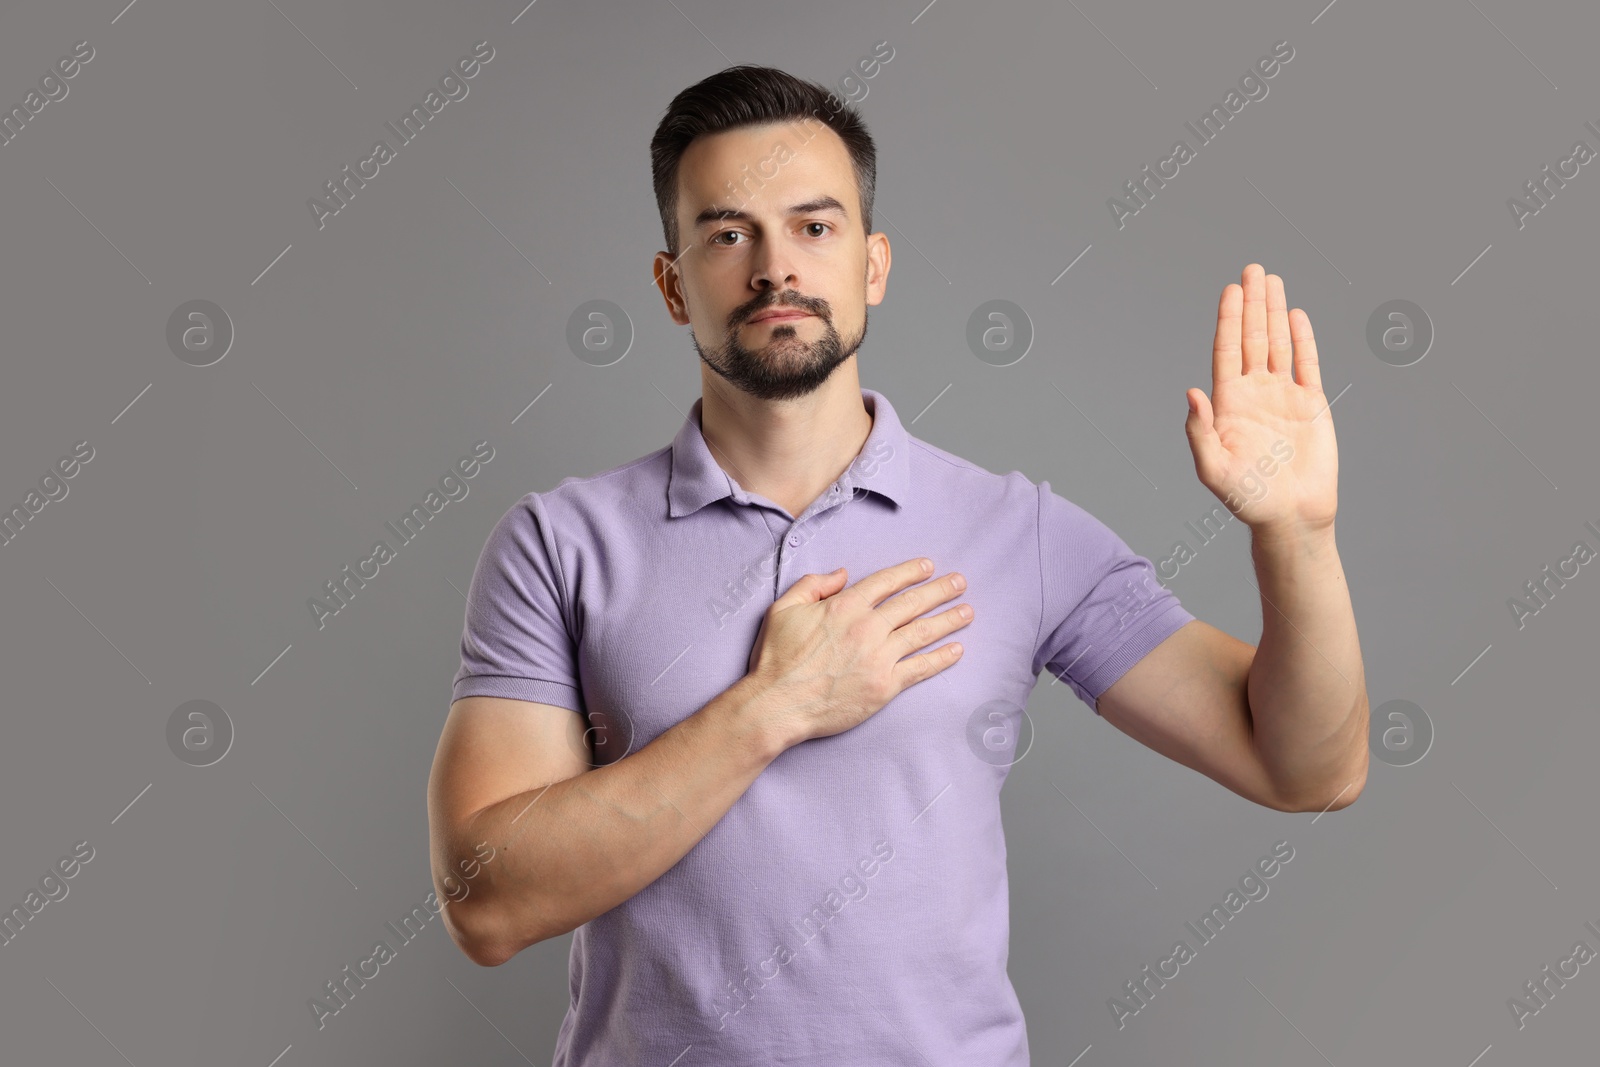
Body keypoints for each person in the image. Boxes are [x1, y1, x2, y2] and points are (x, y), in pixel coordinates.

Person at [426, 64, 1368, 1065]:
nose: (772, 268)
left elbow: (1307, 765)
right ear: (671, 283)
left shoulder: (1021, 530)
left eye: (814, 226)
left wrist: (1296, 537)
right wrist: (771, 706)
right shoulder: (558, 542)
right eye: (726, 232)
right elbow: (485, 904)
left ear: (873, 264)